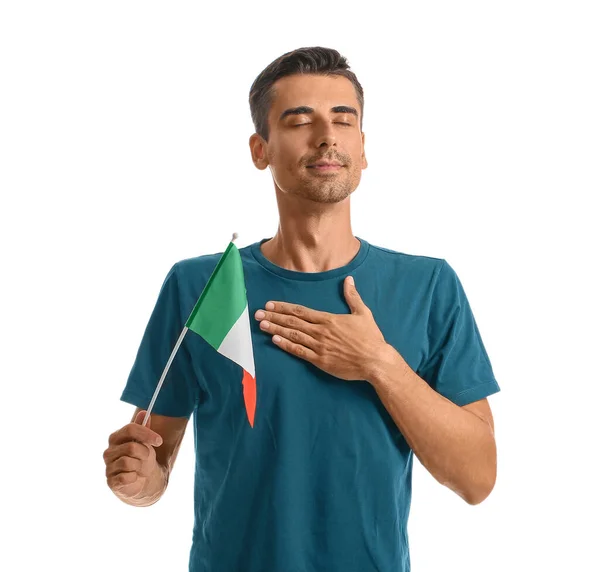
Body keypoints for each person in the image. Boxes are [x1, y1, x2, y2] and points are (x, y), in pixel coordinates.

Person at [103, 46, 500, 572]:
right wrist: (138, 483)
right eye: (299, 120)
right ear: (260, 149)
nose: (327, 136)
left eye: (343, 119)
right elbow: (155, 465)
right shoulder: (200, 285)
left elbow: (477, 479)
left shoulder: (428, 285)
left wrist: (378, 364)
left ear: (363, 148)